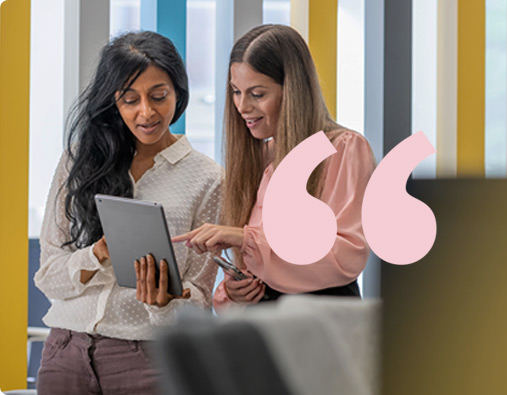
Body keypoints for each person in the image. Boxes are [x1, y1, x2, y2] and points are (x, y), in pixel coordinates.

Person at [34, 31, 222, 395]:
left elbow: (199, 300)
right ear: (113, 102)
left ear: (178, 93)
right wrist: (97, 254)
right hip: (64, 353)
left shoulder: (207, 178)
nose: (146, 112)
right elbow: (47, 277)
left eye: (158, 96)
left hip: (148, 360)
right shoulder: (79, 160)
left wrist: (166, 303)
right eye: (130, 100)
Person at [172, 24, 376, 309]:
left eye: (257, 94)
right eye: (236, 92)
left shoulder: (343, 149)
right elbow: (261, 273)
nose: (242, 106)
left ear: (293, 92)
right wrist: (235, 290)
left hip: (321, 329)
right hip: (262, 332)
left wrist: (246, 239)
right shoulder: (257, 160)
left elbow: (344, 256)